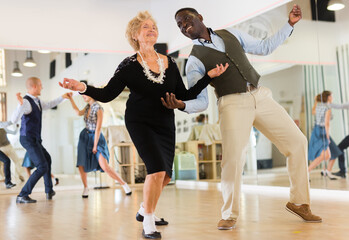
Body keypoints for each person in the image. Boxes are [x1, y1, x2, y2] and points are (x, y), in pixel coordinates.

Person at [59, 11, 227, 239]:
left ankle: (143, 211)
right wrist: (82, 87)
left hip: (165, 122)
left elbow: (184, 94)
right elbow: (107, 94)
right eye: (145, 27)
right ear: (135, 35)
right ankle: (148, 220)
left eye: (153, 27)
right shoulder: (128, 65)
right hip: (140, 122)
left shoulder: (169, 63)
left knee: (166, 175)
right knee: (156, 169)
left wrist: (208, 77)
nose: (151, 30)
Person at [162, 5, 322, 229]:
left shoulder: (232, 33)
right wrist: (182, 104)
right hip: (231, 103)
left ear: (199, 17)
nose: (183, 26)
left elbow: (265, 47)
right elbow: (202, 101)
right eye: (179, 25)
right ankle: (229, 213)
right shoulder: (194, 60)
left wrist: (289, 25)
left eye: (186, 20)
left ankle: (300, 203)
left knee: (298, 142)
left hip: (260, 95)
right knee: (233, 159)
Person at [0, 77, 71, 203]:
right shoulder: (26, 102)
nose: (42, 87)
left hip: (35, 138)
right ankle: (23, 195)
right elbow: (14, 119)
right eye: (40, 85)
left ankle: (49, 190)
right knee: (42, 166)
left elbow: (49, 104)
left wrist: (62, 97)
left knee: (47, 159)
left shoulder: (37, 101)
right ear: (34, 87)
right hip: (28, 138)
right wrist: (19, 104)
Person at [67, 93, 132, 197]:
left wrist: (95, 145)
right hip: (85, 137)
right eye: (82, 95)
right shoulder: (88, 106)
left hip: (96, 138)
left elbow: (98, 128)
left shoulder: (99, 108)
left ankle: (124, 184)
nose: (83, 96)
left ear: (92, 95)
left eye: (85, 94)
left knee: (104, 166)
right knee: (81, 165)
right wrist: (70, 99)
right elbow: (78, 112)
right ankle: (86, 188)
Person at [308, 91, 342, 179]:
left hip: (316, 130)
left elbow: (313, 112)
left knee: (327, 155)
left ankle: (307, 171)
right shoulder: (327, 108)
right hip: (322, 131)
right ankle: (307, 171)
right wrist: (327, 137)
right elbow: (326, 123)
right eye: (332, 96)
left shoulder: (319, 106)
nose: (333, 98)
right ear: (328, 97)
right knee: (326, 155)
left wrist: (316, 101)